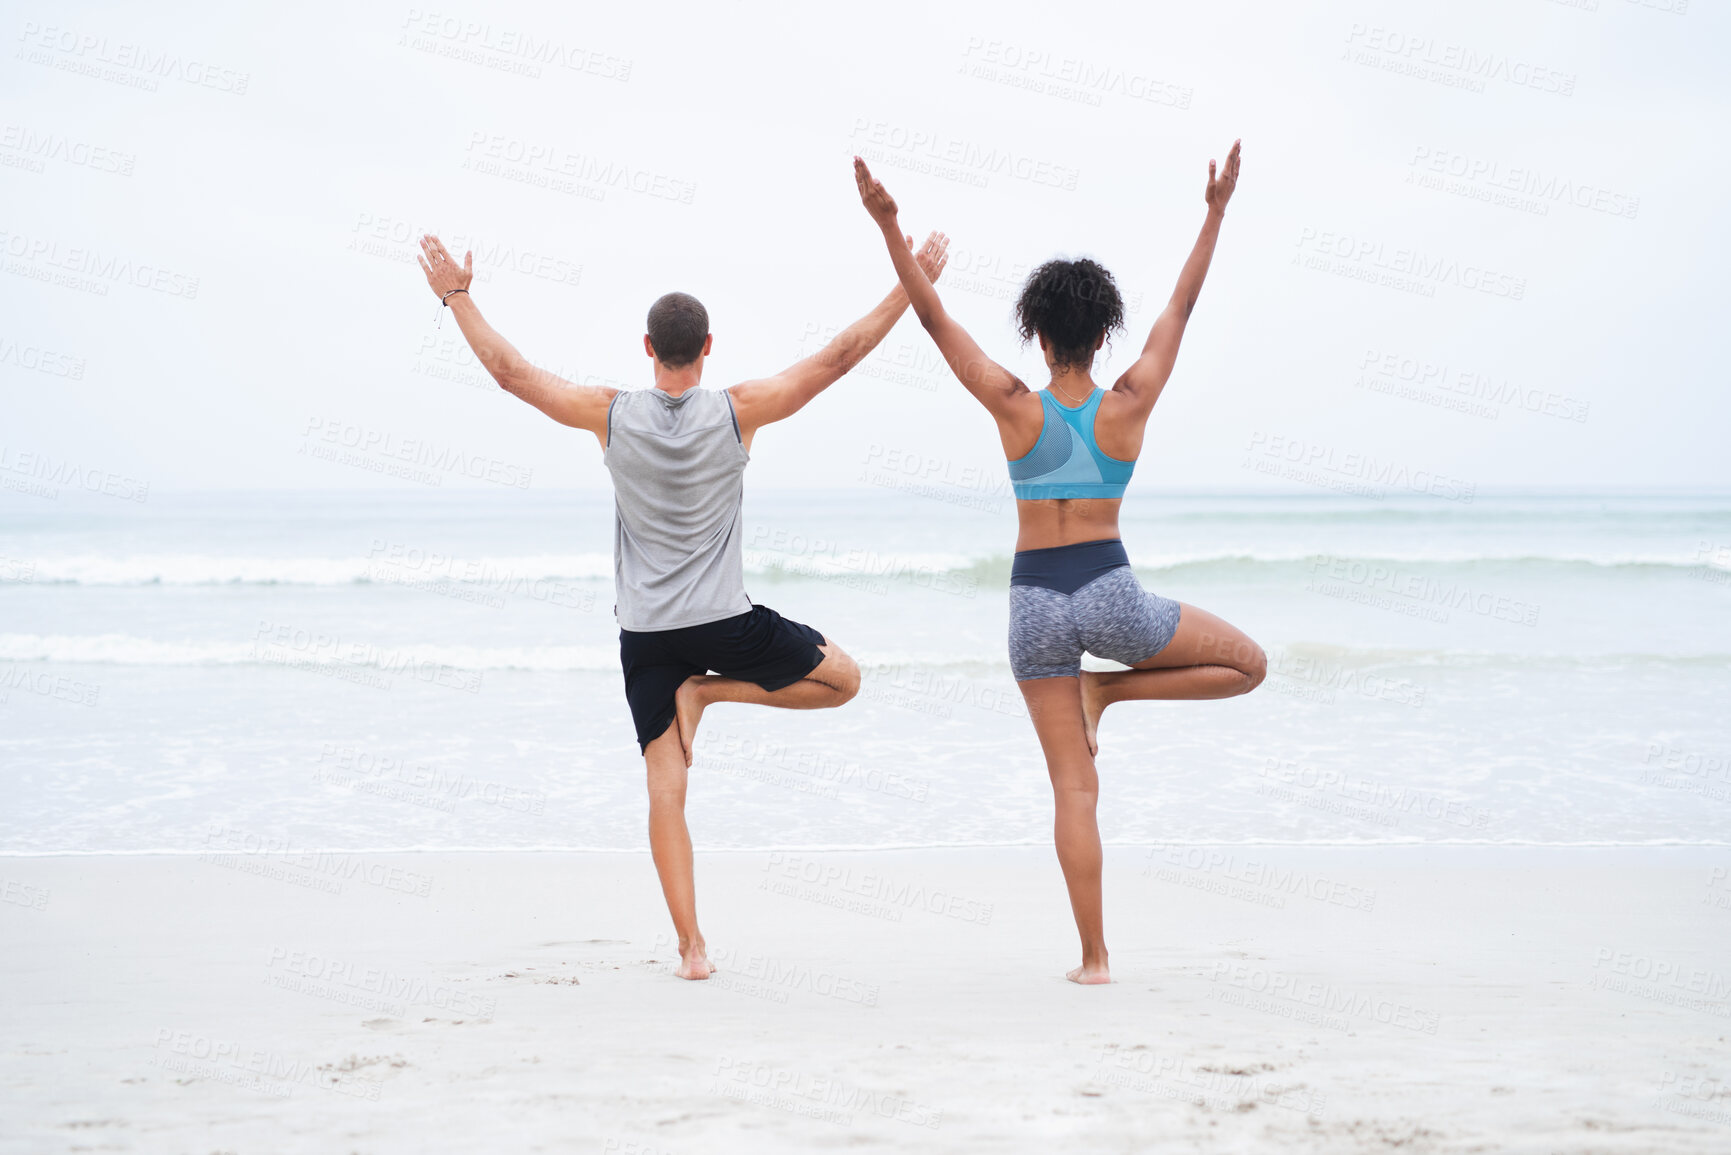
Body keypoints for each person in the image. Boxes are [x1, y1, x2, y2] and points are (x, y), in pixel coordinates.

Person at [415, 230, 949, 980]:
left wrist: (457, 295)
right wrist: (910, 280)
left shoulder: (607, 413)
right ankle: (707, 691)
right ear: (707, 345)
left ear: (646, 347)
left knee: (666, 790)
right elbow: (838, 356)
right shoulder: (738, 411)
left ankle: (692, 949)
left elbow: (510, 373)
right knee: (845, 680)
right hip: (726, 623)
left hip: (645, 635)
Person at [854, 141, 1265, 985]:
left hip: (1033, 603)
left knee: (1072, 792)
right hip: (1112, 593)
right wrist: (1214, 211)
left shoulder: (1012, 406)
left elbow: (932, 319)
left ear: (1038, 337)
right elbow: (1181, 308)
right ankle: (1108, 689)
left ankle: (1093, 959)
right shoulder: (1130, 403)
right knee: (1247, 665)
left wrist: (891, 229)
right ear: (1105, 332)